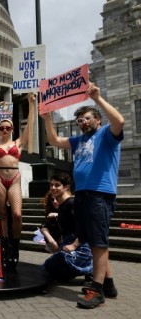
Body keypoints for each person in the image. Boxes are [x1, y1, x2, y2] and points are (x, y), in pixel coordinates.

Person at [41, 83, 124, 309]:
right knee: (91, 239)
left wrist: (97, 98)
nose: (83, 122)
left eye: (87, 118)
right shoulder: (78, 141)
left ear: (97, 120)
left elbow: (120, 122)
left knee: (98, 241)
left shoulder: (106, 134)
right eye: (80, 120)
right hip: (84, 195)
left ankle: (96, 291)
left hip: (100, 194)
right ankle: (108, 284)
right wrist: (47, 119)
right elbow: (55, 141)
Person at [0, 93, 35, 271]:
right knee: (2, 214)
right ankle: (5, 247)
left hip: (14, 177)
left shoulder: (18, 142)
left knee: (16, 214)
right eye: (1, 127)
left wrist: (32, 106)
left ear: (12, 129)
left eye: (7, 128)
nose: (4, 130)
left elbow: (30, 126)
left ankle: (15, 246)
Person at [41, 174, 93, 283]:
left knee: (49, 266)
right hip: (68, 243)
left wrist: (74, 245)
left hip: (81, 245)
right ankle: (82, 270)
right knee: (48, 268)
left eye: (57, 185)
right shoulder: (61, 206)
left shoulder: (72, 203)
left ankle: (89, 270)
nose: (53, 188)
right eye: (51, 185)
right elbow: (44, 227)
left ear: (66, 187)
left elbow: (86, 225)